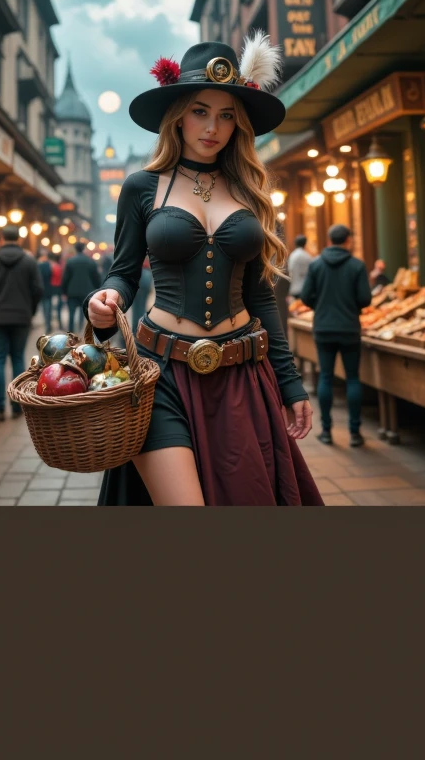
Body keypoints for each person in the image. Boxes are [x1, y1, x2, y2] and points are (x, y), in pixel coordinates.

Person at [84, 35, 323, 506]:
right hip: (161, 376)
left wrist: (290, 381)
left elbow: (261, 298)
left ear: (240, 123)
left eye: (227, 114)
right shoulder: (141, 187)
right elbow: (124, 273)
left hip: (242, 377)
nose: (212, 126)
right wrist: (103, 303)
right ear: (178, 115)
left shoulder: (250, 190)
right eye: (200, 111)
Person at [299, 224, 372, 448]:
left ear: (329, 240)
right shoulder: (357, 265)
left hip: (323, 328)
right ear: (348, 240)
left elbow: (305, 296)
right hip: (349, 328)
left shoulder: (316, 265)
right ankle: (355, 433)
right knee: (352, 378)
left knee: (326, 378)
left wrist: (320, 306)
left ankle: (327, 431)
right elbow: (365, 299)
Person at [0, 225, 43, 421]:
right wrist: (29, 311)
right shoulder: (29, 261)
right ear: (19, 239)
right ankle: (16, 406)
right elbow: (38, 289)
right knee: (17, 357)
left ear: (1, 239)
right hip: (21, 316)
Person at [61, 241, 101, 336]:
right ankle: (81, 331)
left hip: (72, 292)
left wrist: (64, 292)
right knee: (83, 314)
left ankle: (70, 333)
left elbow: (65, 278)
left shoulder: (70, 261)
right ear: (84, 249)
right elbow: (96, 278)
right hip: (86, 292)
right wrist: (98, 289)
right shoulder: (90, 261)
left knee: (71, 313)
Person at [287, 235, 313, 303]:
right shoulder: (305, 256)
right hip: (303, 288)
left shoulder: (292, 255)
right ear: (305, 243)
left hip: (294, 287)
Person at [131, 257, 153, 333]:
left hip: (139, 273)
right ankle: (141, 329)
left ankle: (136, 330)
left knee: (136, 307)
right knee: (142, 306)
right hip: (147, 273)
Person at [37, 248, 54, 330]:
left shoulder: (38, 264)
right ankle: (48, 324)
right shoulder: (48, 264)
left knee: (44, 308)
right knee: (48, 308)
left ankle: (47, 324)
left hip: (41, 289)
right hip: (48, 289)